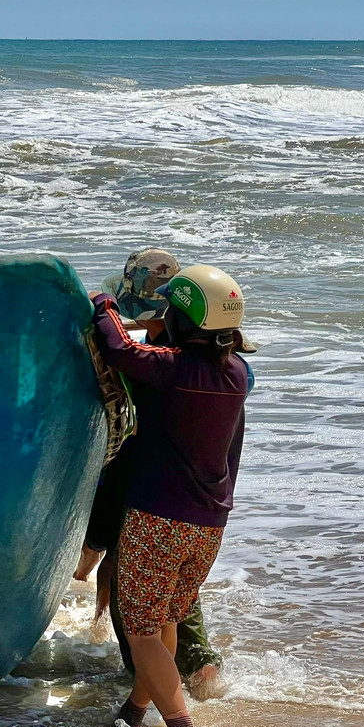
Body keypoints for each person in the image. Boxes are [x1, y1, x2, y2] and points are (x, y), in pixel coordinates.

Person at [91, 264, 252, 727]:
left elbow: (120, 348)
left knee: (140, 631)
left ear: (184, 322)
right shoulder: (239, 375)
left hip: (158, 519)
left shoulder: (173, 370)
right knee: (164, 622)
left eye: (170, 310)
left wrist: (104, 303)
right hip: (209, 526)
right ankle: (135, 711)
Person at [75, 249, 225, 689]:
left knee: (135, 602)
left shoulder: (156, 367)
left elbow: (120, 351)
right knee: (177, 597)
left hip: (151, 500)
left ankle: (149, 694)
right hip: (202, 504)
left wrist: (95, 540)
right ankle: (201, 670)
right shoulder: (217, 366)